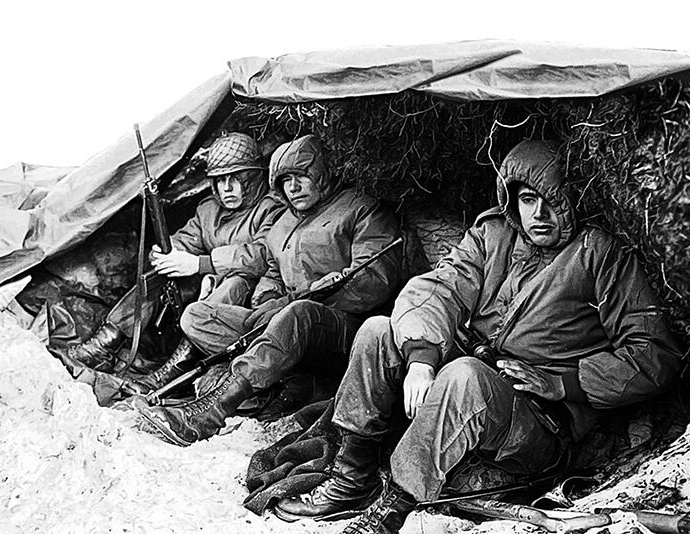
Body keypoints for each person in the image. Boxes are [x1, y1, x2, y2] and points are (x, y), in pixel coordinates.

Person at [274, 140, 683, 534]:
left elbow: (652, 355)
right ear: (512, 201)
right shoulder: (494, 234)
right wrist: (421, 357)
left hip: (538, 423)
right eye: (527, 200)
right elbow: (440, 287)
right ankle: (352, 477)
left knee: (465, 375)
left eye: (553, 202)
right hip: (477, 376)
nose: (539, 214)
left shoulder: (600, 254)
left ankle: (392, 509)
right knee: (378, 332)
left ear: (573, 199)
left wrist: (564, 384)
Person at [137, 134, 404, 446]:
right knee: (198, 316)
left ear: (324, 171)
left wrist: (289, 302)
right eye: (286, 179)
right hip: (287, 325)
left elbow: (371, 282)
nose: (293, 187)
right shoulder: (286, 220)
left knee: (298, 315)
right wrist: (267, 300)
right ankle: (280, 379)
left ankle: (208, 414)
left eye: (302, 175)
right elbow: (272, 268)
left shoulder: (361, 208)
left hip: (346, 331)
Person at [59, 132, 285, 392]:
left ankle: (170, 374)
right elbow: (190, 237)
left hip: (245, 300)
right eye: (220, 180)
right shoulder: (209, 209)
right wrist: (169, 252)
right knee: (156, 281)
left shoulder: (271, 209)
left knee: (234, 283)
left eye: (237, 178)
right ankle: (102, 345)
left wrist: (200, 264)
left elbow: (262, 256)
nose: (227, 188)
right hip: (205, 287)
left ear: (254, 176)